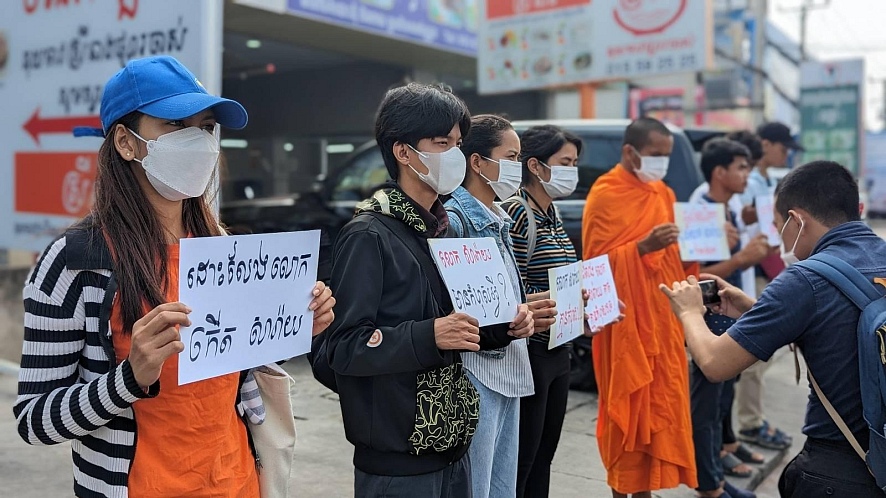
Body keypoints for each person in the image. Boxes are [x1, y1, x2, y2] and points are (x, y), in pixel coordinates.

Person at [13, 55, 336, 497]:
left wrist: (297, 322)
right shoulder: (74, 263)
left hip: (237, 482)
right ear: (126, 143)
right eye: (175, 125)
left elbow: (236, 367)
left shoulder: (222, 248)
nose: (198, 142)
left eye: (204, 127)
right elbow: (34, 420)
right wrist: (130, 377)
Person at [318, 83, 533, 498]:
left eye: (457, 143)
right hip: (396, 456)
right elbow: (342, 348)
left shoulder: (443, 228)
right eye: (441, 143)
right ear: (403, 152)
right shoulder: (369, 233)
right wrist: (428, 335)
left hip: (451, 443)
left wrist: (504, 325)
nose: (454, 155)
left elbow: (460, 322)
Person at [660, 160, 886, 496]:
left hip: (841, 468)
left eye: (779, 225)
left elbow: (715, 364)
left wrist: (690, 312)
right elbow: (834, 328)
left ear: (796, 220)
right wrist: (756, 309)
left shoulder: (804, 279)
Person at [582, 117, 697, 498]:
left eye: (666, 156)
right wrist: (641, 249)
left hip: (662, 322)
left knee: (659, 409)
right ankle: (622, 488)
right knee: (626, 411)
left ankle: (645, 490)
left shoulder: (662, 193)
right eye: (654, 155)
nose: (661, 163)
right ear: (630, 152)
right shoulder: (606, 192)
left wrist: (697, 252)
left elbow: (675, 260)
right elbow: (594, 267)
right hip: (623, 322)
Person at [444, 114, 536, 498]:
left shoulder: (498, 218)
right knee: (476, 486)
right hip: (476, 371)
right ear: (477, 162)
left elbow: (497, 297)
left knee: (501, 486)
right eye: (511, 157)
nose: (517, 169)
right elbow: (457, 303)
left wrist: (526, 311)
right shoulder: (455, 220)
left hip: (508, 365)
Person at [691, 139, 771, 498]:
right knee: (706, 405)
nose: (746, 174)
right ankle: (709, 483)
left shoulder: (732, 208)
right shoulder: (701, 211)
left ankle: (722, 456)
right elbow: (697, 277)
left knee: (724, 399)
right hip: (711, 322)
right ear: (719, 172)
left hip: (733, 319)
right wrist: (743, 260)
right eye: (740, 167)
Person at [735, 122, 802, 451]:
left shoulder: (764, 180)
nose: (786, 153)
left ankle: (748, 421)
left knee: (761, 352)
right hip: (753, 270)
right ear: (764, 143)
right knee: (754, 350)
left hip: (765, 268)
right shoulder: (747, 182)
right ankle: (748, 423)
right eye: (782, 146)